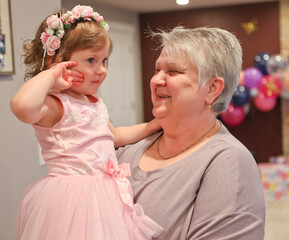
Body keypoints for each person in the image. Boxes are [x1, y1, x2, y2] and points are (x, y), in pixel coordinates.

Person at [10, 5, 163, 240]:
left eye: (104, 61)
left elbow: (115, 135)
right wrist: (50, 75)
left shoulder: (95, 101)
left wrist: (153, 126)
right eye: (91, 60)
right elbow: (21, 106)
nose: (101, 70)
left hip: (107, 198)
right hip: (72, 202)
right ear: (59, 61)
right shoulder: (55, 105)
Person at [116, 26, 266, 239]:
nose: (156, 80)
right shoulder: (129, 147)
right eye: (157, 70)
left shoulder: (229, 162)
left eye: (172, 71)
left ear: (213, 88)